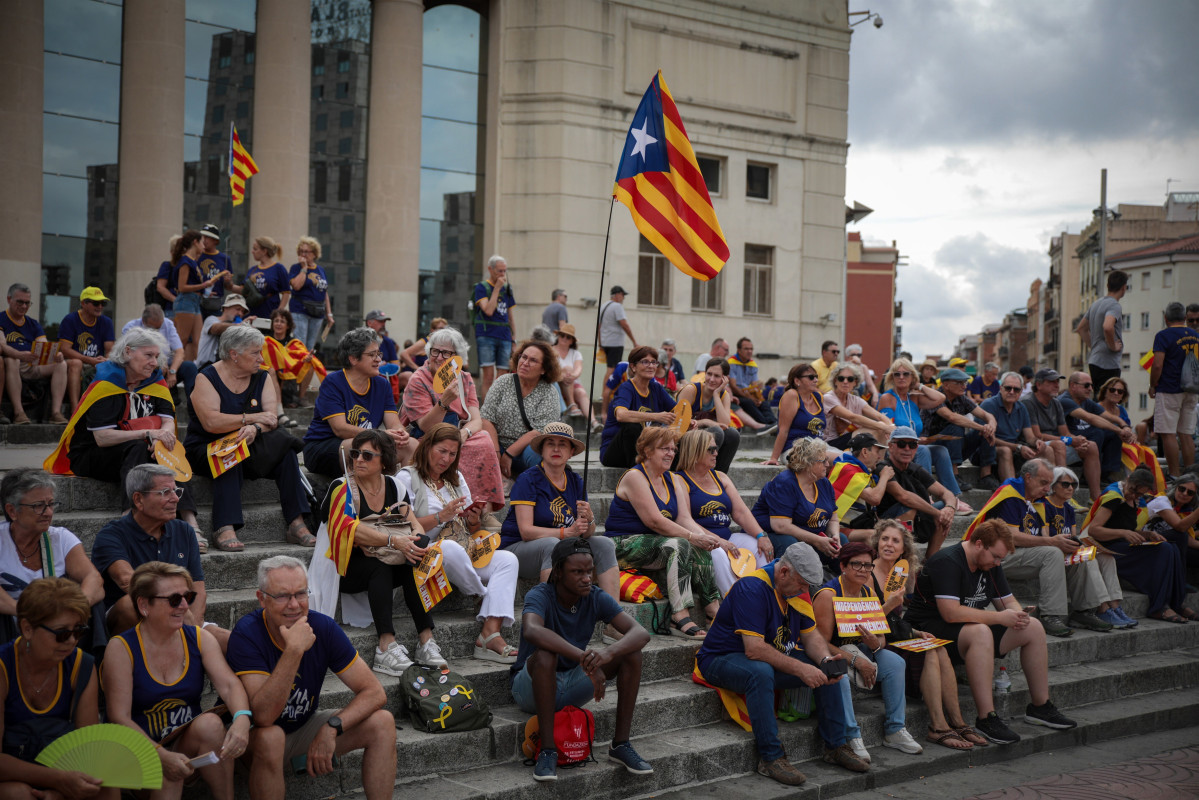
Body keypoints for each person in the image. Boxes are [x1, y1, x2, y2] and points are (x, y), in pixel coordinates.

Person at [695, 542, 866, 785]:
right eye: (802, 584)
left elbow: (810, 635)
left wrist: (824, 661)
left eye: (807, 585)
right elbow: (753, 650)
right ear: (784, 571)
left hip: (769, 654)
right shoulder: (752, 587)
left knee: (826, 667)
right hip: (721, 659)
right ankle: (770, 757)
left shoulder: (796, 587)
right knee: (760, 672)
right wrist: (800, 668)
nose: (804, 590)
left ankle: (836, 746)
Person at [227, 556, 396, 800]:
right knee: (271, 736)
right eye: (283, 596)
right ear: (261, 598)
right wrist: (293, 651)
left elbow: (375, 693)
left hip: (301, 728)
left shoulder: (323, 627)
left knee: (383, 722)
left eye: (301, 594)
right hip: (250, 741)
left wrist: (332, 728)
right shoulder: (247, 633)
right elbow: (264, 716)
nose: (294, 605)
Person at [905, 519, 1077, 745]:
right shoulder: (947, 561)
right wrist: (1000, 617)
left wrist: (1019, 614)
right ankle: (987, 717)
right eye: (995, 557)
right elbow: (950, 613)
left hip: (966, 630)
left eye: (1001, 559)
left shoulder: (990, 564)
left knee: (1033, 627)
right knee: (981, 632)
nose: (998, 563)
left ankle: (1040, 706)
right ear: (978, 545)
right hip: (927, 630)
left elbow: (1007, 601)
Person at [103, 562, 251, 800]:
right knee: (167, 773)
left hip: (184, 744)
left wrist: (243, 718)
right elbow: (119, 718)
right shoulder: (121, 648)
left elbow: (230, 685)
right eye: (174, 599)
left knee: (212, 724)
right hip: (139, 751)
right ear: (144, 605)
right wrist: (161, 755)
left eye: (188, 597)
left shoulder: (199, 638)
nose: (184, 606)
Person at [511, 537, 653, 782]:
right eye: (577, 572)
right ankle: (547, 751)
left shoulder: (595, 596)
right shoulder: (541, 594)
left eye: (589, 571)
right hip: (531, 687)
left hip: (572, 682)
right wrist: (583, 658)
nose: (586, 578)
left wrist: (607, 654)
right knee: (545, 654)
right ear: (557, 573)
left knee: (631, 652)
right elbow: (532, 630)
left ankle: (620, 745)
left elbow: (640, 633)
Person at [309, 428, 447, 674]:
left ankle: (426, 640)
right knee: (380, 565)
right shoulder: (341, 487)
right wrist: (394, 541)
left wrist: (418, 543)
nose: (358, 460)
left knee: (412, 562)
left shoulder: (394, 485)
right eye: (355, 454)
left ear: (384, 461)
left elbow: (410, 518)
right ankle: (386, 646)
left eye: (367, 455)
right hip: (342, 569)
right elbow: (347, 529)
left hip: (379, 558)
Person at [44, 327, 201, 541]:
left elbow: (167, 421)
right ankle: (129, 518)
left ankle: (190, 521)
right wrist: (148, 433)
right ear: (128, 352)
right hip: (93, 455)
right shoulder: (107, 383)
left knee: (169, 450)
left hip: (138, 452)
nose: (154, 362)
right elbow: (102, 438)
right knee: (137, 447)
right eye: (148, 355)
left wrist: (159, 439)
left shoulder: (154, 381)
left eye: (156, 356)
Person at [398, 424, 520, 663]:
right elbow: (404, 527)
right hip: (430, 552)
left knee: (508, 559)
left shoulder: (456, 478)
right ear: (427, 447)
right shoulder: (406, 477)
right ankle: (483, 594)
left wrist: (474, 520)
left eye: (452, 454)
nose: (446, 459)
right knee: (447, 548)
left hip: (464, 548)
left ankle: (489, 633)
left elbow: (469, 527)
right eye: (442, 451)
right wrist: (440, 517)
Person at [184, 325, 313, 552]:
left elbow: (271, 418)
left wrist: (255, 428)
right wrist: (250, 419)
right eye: (255, 353)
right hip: (205, 448)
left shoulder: (262, 376)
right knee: (231, 449)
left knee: (285, 450)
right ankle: (224, 526)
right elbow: (212, 423)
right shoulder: (206, 378)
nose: (261, 358)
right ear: (234, 354)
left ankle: (296, 522)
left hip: (250, 441)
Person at [869, 521, 986, 751]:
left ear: (904, 548)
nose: (889, 544)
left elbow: (899, 616)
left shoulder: (902, 570)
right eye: (885, 539)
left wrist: (914, 631)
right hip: (876, 640)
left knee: (938, 647)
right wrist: (892, 605)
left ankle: (957, 721)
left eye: (895, 541)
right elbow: (869, 621)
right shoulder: (868, 573)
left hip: (895, 634)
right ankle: (937, 726)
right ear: (877, 543)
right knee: (930, 651)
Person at [605, 427, 732, 637]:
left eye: (673, 449)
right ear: (647, 451)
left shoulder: (672, 479)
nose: (671, 453)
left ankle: (713, 610)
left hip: (656, 543)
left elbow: (683, 518)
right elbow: (654, 521)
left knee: (698, 546)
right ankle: (679, 616)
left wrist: (706, 538)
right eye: (664, 448)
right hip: (622, 544)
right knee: (682, 543)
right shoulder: (635, 476)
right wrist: (691, 536)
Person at [964, 458, 1113, 637]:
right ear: (1028, 477)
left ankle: (1084, 612)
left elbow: (1041, 537)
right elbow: (1010, 537)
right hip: (998, 557)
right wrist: (1052, 542)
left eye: (1049, 484)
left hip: (1025, 554)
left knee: (1079, 556)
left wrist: (1065, 545)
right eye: (1043, 483)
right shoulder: (1011, 495)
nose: (1047, 489)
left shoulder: (1037, 500)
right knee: (1051, 553)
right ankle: (1051, 614)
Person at [0, 578, 114, 800]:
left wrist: (60, 790)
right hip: (13, 773)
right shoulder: (3, 668)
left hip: (61, 769)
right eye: (62, 633)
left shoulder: (81, 665)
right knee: (19, 794)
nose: (71, 641)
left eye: (79, 631)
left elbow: (86, 747)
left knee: (105, 784)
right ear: (27, 628)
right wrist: (58, 780)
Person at [813, 542, 923, 763]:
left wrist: (874, 644)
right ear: (843, 566)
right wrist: (856, 661)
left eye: (867, 566)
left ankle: (895, 729)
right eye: (857, 565)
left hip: (860, 651)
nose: (863, 570)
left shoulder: (868, 592)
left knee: (895, 663)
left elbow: (881, 637)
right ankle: (852, 735)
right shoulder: (828, 594)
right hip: (829, 654)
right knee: (839, 673)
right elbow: (821, 643)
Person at [89, 465, 217, 643]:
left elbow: (198, 588)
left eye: (176, 491)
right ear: (139, 499)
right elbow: (128, 581)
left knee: (230, 642)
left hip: (180, 614)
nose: (175, 499)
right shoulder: (112, 534)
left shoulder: (184, 531)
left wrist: (191, 631)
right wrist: (176, 609)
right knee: (130, 605)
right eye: (165, 492)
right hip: (137, 612)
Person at [500, 421, 621, 609]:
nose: (556, 448)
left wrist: (589, 519)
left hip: (561, 544)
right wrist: (566, 533)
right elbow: (525, 531)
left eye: (562, 444)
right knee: (552, 545)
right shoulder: (527, 479)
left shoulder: (575, 480)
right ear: (541, 449)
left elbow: (585, 533)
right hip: (518, 549)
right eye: (550, 443)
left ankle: (613, 619)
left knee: (605, 544)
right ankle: (548, 617)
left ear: (571, 452)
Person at [400, 325, 504, 510]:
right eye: (435, 351)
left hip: (458, 431)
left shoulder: (464, 378)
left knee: (484, 440)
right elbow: (425, 426)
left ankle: (481, 509)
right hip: (428, 437)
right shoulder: (418, 380)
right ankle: (457, 508)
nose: (439, 357)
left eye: (446, 353)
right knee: (452, 449)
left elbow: (476, 420)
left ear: (457, 357)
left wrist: (464, 433)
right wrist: (443, 403)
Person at [0, 470, 104, 642]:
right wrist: (28, 612)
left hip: (58, 628)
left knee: (94, 605)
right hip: (11, 628)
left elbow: (94, 580)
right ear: (12, 511)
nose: (48, 513)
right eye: (38, 506)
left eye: (50, 504)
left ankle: (92, 664)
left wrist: (69, 612)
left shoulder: (60, 538)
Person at [1081, 468, 1191, 623]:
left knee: (1171, 547)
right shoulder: (1114, 496)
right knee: (1164, 550)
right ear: (1128, 479)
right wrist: (1123, 533)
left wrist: (1147, 534)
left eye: (1139, 494)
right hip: (1102, 547)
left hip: (1120, 544)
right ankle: (1160, 607)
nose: (1134, 496)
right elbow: (1094, 529)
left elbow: (1126, 526)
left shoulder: (1138, 500)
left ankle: (1176, 602)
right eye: (1132, 490)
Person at [303, 327, 413, 479]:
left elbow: (393, 423)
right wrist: (380, 435)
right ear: (353, 358)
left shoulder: (382, 384)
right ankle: (366, 499)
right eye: (372, 355)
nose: (378, 359)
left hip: (369, 441)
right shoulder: (333, 382)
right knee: (366, 449)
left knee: (411, 445)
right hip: (325, 446)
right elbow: (340, 429)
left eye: (378, 354)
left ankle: (407, 498)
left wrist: (400, 433)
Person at [1036, 466, 1137, 629]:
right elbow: (1046, 537)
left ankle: (1115, 607)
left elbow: (1074, 536)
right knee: (1088, 559)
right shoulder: (1045, 505)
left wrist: (1082, 545)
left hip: (1069, 550)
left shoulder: (1068, 508)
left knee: (1107, 558)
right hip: (1054, 552)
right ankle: (1102, 609)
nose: (1070, 488)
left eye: (1074, 485)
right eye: (1065, 484)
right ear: (1053, 485)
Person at [676, 429, 772, 590]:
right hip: (702, 541)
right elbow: (686, 520)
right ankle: (734, 599)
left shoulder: (720, 477)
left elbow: (741, 512)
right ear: (695, 451)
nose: (716, 453)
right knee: (718, 553)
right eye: (711, 450)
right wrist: (718, 541)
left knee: (758, 547)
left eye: (716, 449)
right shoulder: (680, 479)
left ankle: (765, 594)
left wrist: (761, 535)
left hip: (728, 537)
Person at [878, 357, 967, 506]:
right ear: (891, 377)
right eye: (897, 374)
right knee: (923, 450)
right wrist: (915, 441)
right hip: (895, 448)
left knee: (940, 450)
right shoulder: (887, 398)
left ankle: (954, 497)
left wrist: (919, 386)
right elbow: (890, 431)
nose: (901, 377)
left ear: (912, 376)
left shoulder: (914, 398)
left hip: (913, 447)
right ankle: (925, 496)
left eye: (906, 374)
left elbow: (941, 398)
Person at [752, 437, 841, 565]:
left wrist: (835, 536)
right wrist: (816, 540)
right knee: (791, 545)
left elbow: (833, 518)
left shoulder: (824, 482)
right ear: (807, 463)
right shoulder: (785, 482)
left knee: (841, 541)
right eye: (823, 461)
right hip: (773, 534)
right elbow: (780, 526)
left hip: (811, 534)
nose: (828, 464)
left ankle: (842, 583)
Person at [480, 339, 561, 479]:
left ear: (544, 369)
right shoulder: (503, 381)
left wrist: (509, 454)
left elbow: (539, 431)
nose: (525, 363)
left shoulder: (549, 392)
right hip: (497, 445)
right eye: (523, 357)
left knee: (539, 454)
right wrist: (497, 452)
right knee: (479, 444)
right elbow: (486, 418)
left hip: (526, 449)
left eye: (533, 360)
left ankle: (531, 487)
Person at [877, 427, 956, 557]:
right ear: (890, 446)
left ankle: (930, 561)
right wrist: (937, 513)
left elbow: (946, 493)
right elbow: (904, 496)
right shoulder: (883, 467)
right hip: (886, 522)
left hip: (918, 519)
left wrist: (950, 508)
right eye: (902, 444)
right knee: (909, 507)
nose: (907, 449)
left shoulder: (915, 469)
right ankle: (903, 558)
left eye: (912, 444)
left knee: (945, 508)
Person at [599, 345, 681, 469]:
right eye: (645, 362)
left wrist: (691, 421)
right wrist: (657, 416)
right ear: (633, 367)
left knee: (683, 438)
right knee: (632, 427)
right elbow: (621, 415)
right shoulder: (626, 388)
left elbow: (678, 411)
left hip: (646, 450)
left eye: (654, 362)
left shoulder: (656, 388)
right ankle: (639, 472)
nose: (651, 366)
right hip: (615, 452)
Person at [1023, 368, 1102, 497]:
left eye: (1057, 381)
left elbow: (1065, 433)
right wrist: (1070, 441)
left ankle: (1096, 498)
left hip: (1054, 443)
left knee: (1090, 446)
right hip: (1035, 446)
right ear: (1038, 385)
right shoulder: (1028, 402)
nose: (1057, 385)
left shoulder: (1056, 403)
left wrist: (1078, 440)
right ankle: (1062, 494)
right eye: (1052, 381)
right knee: (1059, 444)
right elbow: (1037, 435)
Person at [0, 282, 68, 425]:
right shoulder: (2, 319)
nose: (24, 306)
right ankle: (19, 413)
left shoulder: (33, 323)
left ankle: (56, 413)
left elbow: (43, 344)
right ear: (8, 299)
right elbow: (2, 347)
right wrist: (19, 355)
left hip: (32, 364)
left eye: (27, 303)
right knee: (12, 360)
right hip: (12, 365)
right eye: (20, 302)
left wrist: (55, 354)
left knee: (61, 364)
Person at [924, 367, 999, 491]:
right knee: (957, 425)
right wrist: (983, 427)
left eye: (964, 383)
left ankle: (986, 475)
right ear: (946, 385)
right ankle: (954, 475)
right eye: (959, 383)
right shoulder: (935, 397)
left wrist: (991, 425)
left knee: (984, 429)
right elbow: (952, 417)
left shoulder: (961, 398)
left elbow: (986, 415)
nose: (964, 386)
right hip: (932, 448)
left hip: (954, 447)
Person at [1149, 301, 1199, 477]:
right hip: (1192, 389)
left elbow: (1157, 365)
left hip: (1169, 388)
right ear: (1185, 318)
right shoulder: (1195, 335)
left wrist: (1153, 385)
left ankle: (1175, 474)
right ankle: (1191, 474)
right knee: (1186, 434)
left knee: (1168, 433)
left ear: (1165, 318)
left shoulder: (1163, 336)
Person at [1058, 370, 1135, 484]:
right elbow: (1091, 418)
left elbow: (1107, 416)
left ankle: (1105, 473)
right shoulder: (1065, 400)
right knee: (1098, 432)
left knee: (1110, 433)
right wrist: (1119, 430)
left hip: (1084, 436)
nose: (1090, 389)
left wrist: (1124, 426)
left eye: (1091, 385)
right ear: (1073, 386)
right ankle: (1087, 474)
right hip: (1070, 440)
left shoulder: (1086, 401)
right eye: (1086, 385)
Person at [58, 287, 116, 415]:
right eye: (96, 303)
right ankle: (75, 409)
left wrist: (105, 359)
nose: (100, 306)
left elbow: (110, 350)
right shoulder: (70, 320)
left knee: (113, 365)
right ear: (83, 303)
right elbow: (65, 349)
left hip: (95, 362)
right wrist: (89, 360)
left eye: (103, 303)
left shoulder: (106, 322)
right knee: (76, 363)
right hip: (73, 362)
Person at [122, 304, 198, 401]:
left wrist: (173, 371)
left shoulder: (168, 324)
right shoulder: (130, 328)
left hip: (168, 368)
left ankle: (194, 407)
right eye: (154, 328)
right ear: (144, 321)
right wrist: (157, 364)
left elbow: (180, 351)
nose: (157, 331)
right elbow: (129, 357)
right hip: (145, 368)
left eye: (160, 327)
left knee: (189, 367)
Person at [980, 371, 1047, 482]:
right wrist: (1018, 447)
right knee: (1006, 451)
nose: (1012, 392)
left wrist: (1037, 442)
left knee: (1047, 449)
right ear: (1001, 388)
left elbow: (1030, 437)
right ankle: (1012, 494)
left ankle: (1051, 491)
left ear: (1021, 392)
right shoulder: (989, 404)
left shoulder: (1021, 408)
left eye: (1016, 389)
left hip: (1015, 449)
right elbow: (985, 437)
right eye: (1008, 388)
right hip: (987, 450)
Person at [676, 357, 740, 472]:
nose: (711, 379)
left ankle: (719, 476)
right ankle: (702, 473)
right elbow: (677, 423)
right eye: (709, 374)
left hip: (704, 436)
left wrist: (716, 394)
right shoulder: (691, 390)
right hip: (683, 438)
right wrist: (705, 422)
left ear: (725, 378)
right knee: (717, 432)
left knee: (733, 434)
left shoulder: (723, 395)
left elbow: (725, 424)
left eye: (717, 376)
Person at [828, 433, 894, 538]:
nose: (879, 457)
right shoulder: (848, 469)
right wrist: (884, 477)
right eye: (877, 451)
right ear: (864, 452)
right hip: (836, 529)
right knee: (877, 536)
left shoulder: (860, 471)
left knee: (894, 530)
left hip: (854, 525)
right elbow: (875, 498)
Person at [173, 230, 224, 362]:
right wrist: (204, 285)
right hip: (186, 301)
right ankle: (171, 369)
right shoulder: (185, 261)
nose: (204, 245)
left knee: (198, 340)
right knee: (182, 339)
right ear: (195, 242)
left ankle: (198, 370)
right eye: (202, 242)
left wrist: (205, 291)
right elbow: (182, 287)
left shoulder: (192, 261)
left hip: (195, 301)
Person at [472, 255, 517, 399]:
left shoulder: (507, 289)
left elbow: (510, 315)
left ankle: (498, 410)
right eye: (499, 271)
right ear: (490, 270)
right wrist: (496, 288)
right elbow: (489, 310)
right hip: (486, 335)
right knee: (488, 376)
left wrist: (513, 338)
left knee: (502, 377)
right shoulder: (481, 287)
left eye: (504, 271)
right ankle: (485, 412)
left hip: (504, 336)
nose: (503, 274)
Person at [1075, 269, 1128, 390]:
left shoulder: (1096, 304)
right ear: (1124, 288)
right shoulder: (1115, 305)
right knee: (1109, 401)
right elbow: (1108, 326)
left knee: (1098, 401)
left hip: (1094, 361)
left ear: (1108, 285)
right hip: (1108, 364)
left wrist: (1093, 347)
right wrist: (1112, 346)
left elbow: (1081, 328)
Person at [765, 363, 827, 465]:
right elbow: (783, 430)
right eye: (811, 377)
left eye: (816, 377)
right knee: (838, 460)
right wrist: (774, 458)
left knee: (846, 458)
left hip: (819, 447)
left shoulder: (818, 396)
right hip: (795, 450)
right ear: (797, 381)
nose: (816, 380)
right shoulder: (792, 395)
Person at [824, 362, 895, 450]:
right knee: (876, 429)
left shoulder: (856, 400)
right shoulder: (828, 398)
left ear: (855, 382)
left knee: (880, 426)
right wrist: (884, 427)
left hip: (850, 439)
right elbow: (852, 417)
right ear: (835, 381)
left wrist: (891, 427)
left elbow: (879, 416)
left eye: (850, 379)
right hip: (831, 443)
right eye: (841, 378)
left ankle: (879, 461)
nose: (845, 382)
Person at [288, 236, 333, 354]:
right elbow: (296, 286)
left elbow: (324, 292)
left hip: (317, 312)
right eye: (301, 251)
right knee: (300, 345)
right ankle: (296, 370)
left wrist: (329, 314)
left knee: (310, 347)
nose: (303, 254)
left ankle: (305, 371)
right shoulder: (296, 268)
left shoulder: (320, 270)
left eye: (306, 252)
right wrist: (304, 268)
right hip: (300, 311)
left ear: (314, 253)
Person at [1147, 473, 1199, 569]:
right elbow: (1180, 527)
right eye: (1182, 489)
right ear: (1175, 487)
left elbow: (1188, 540)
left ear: (1194, 496)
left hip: (1167, 542)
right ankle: (1178, 581)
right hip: (1147, 541)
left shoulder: (1185, 510)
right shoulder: (1162, 501)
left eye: (1190, 493)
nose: (1184, 494)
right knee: (1179, 535)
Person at [598, 285, 636, 399]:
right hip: (615, 342)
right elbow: (624, 324)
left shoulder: (604, 306)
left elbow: (599, 326)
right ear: (618, 294)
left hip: (605, 342)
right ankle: (605, 393)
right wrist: (634, 341)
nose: (623, 298)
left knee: (610, 368)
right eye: (623, 295)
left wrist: (600, 342)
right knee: (612, 369)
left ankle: (605, 392)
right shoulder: (617, 306)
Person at [728, 338, 776, 428]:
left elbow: (755, 386)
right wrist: (751, 398)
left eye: (751, 349)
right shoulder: (731, 363)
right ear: (739, 350)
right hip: (736, 394)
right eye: (746, 349)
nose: (750, 351)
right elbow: (733, 386)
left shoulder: (752, 364)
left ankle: (773, 422)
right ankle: (766, 425)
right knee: (749, 402)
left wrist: (757, 398)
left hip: (749, 394)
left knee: (764, 403)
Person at [246, 235, 291, 318]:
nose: (252, 251)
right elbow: (243, 290)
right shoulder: (252, 269)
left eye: (255, 249)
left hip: (269, 315)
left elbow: (286, 292)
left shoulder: (279, 269)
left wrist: (279, 312)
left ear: (264, 251)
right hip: (251, 315)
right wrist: (229, 285)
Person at [197, 224, 240, 309]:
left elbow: (228, 286)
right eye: (202, 237)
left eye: (207, 237)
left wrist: (228, 281)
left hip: (215, 302)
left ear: (215, 241)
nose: (204, 240)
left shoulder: (225, 258)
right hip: (198, 299)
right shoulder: (196, 255)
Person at [552, 322, 588, 418]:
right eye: (562, 335)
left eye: (568, 337)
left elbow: (578, 368)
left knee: (582, 392)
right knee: (567, 369)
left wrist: (572, 376)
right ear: (558, 336)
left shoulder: (576, 353)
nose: (564, 338)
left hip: (571, 382)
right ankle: (572, 405)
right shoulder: (550, 350)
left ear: (572, 341)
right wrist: (562, 375)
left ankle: (593, 422)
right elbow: (550, 369)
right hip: (555, 382)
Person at [153, 235, 181, 317]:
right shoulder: (167, 266)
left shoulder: (188, 266)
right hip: (171, 308)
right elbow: (160, 287)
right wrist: (175, 300)